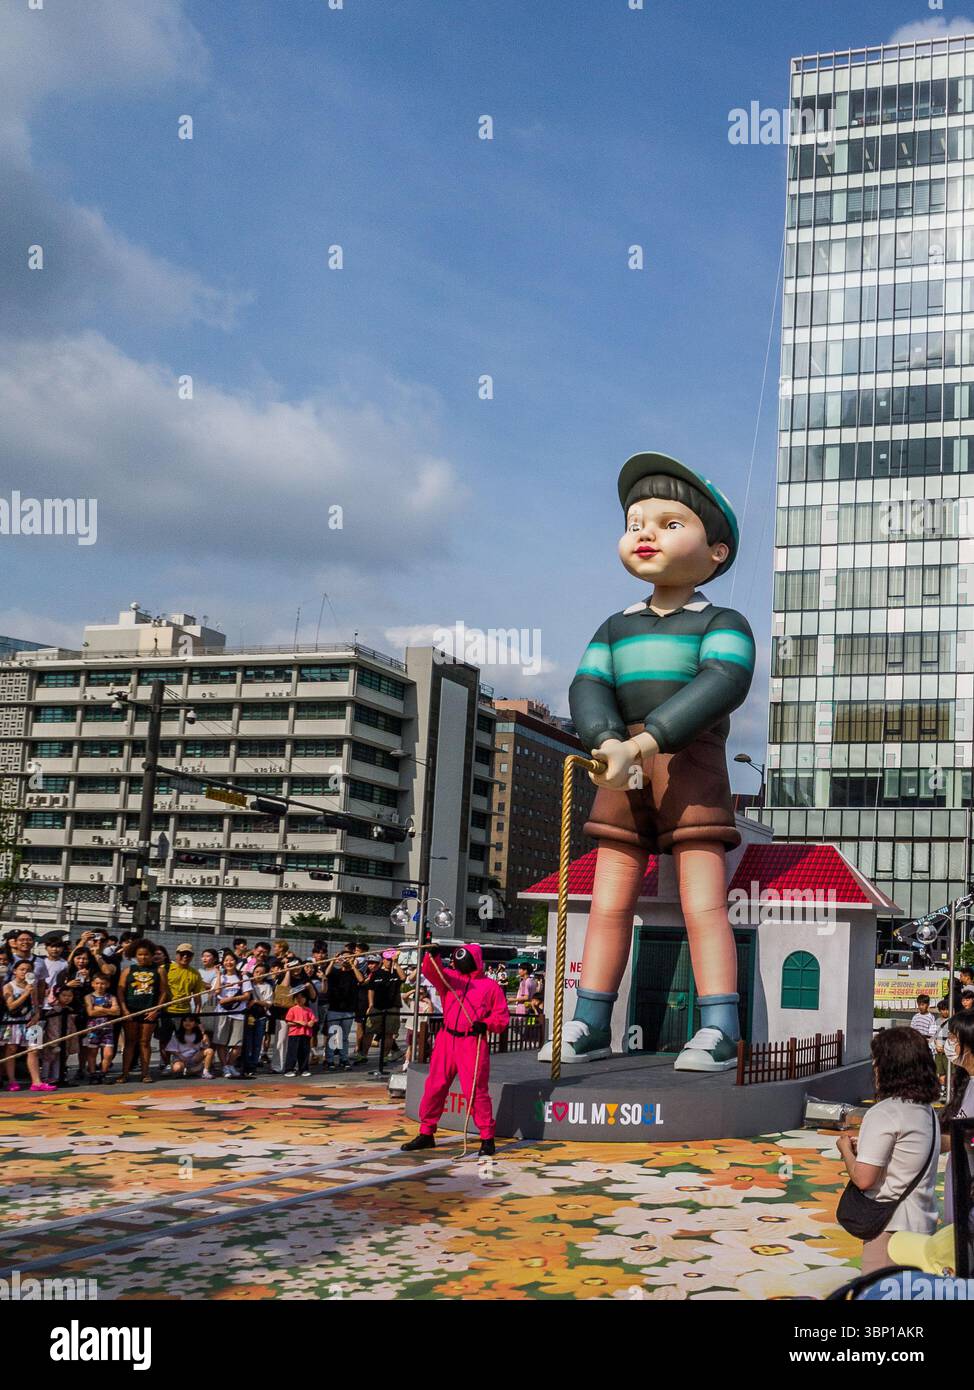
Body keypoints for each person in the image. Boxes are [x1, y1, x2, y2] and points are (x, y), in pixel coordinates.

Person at [540, 451, 754, 1071]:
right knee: (609, 902)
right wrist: (607, 738)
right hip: (620, 763)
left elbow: (723, 680)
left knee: (703, 902)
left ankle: (718, 1026)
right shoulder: (615, 626)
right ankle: (589, 1022)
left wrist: (647, 740)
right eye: (636, 523)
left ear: (716, 552)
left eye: (669, 523)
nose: (646, 534)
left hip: (691, 762)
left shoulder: (722, 621)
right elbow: (588, 686)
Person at [836, 1027, 940, 1274]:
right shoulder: (926, 1111)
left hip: (890, 1228)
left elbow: (864, 1179)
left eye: (877, 1060)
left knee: (880, 1288)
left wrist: (846, 1150)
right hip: (922, 1223)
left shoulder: (884, 1112)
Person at [401, 944, 510, 1157]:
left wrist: (486, 1024)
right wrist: (432, 955)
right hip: (446, 1039)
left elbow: (501, 1017)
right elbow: (431, 971)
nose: (457, 962)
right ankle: (426, 1132)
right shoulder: (451, 979)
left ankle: (487, 1137)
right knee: (435, 1086)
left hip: (472, 1042)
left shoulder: (490, 987)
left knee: (475, 1091)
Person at [938, 1013, 974, 1233]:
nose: (949, 1043)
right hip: (960, 1186)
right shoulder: (967, 1082)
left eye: (953, 1038)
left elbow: (969, 1138)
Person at [115, 940, 169, 1084]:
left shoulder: (159, 970)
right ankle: (124, 1073)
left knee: (145, 1042)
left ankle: (145, 1073)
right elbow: (120, 990)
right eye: (140, 954)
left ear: (152, 955)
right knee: (130, 1042)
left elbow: (164, 992)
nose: (143, 957)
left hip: (149, 1011)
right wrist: (124, 1009)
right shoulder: (128, 970)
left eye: (146, 954)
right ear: (135, 955)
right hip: (131, 1011)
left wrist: (156, 1010)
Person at [2, 957, 54, 1091]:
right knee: (11, 1050)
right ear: (15, 971)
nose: (25, 972)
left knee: (34, 1050)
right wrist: (25, 993)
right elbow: (11, 1006)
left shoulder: (33, 986)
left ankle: (36, 1081)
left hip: (31, 1021)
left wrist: (37, 1015)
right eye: (22, 969)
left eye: (29, 970)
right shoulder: (8, 986)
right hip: (14, 1021)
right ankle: (12, 1081)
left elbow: (36, 1004)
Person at [213, 950, 252, 1077]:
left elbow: (247, 995)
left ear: (236, 961)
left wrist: (232, 999)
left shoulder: (243, 977)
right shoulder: (220, 977)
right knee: (221, 1042)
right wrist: (218, 975)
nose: (229, 963)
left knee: (237, 1044)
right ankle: (225, 1067)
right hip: (222, 1013)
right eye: (226, 960)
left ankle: (230, 1064)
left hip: (238, 1013)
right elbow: (217, 992)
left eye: (231, 960)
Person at [325, 947, 362, 1069]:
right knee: (332, 1035)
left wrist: (353, 964)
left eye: (349, 957)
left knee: (344, 1037)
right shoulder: (335, 972)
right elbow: (326, 974)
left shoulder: (354, 972)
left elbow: (361, 979)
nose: (346, 959)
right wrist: (333, 961)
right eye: (344, 957)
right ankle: (330, 1059)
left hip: (348, 1010)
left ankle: (344, 1058)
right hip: (334, 1008)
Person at [82, 974, 120, 1082]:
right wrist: (109, 1010)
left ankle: (103, 1073)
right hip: (93, 1029)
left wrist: (100, 1009)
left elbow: (117, 1012)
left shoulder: (111, 997)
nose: (100, 986)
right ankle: (93, 1074)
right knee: (92, 1052)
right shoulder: (89, 997)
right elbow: (90, 1012)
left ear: (107, 985)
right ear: (93, 984)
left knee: (109, 1054)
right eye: (97, 983)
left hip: (108, 1029)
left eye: (103, 984)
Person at [241, 961, 273, 1077]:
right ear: (253, 972)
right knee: (247, 1041)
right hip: (249, 1016)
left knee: (257, 1041)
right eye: (257, 972)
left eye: (262, 973)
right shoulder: (247, 984)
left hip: (261, 1016)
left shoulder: (267, 986)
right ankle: (246, 1064)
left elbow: (269, 1003)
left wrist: (256, 1001)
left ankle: (253, 1064)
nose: (259, 974)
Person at [165, 1015, 214, 1079]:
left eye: (191, 1021)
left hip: (194, 1058)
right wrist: (180, 1056)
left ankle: (205, 1072)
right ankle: (193, 1070)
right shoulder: (177, 1035)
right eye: (185, 1021)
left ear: (195, 1023)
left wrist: (204, 1034)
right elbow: (170, 1049)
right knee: (177, 1068)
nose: (187, 1023)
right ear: (182, 1023)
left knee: (210, 1051)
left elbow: (207, 1046)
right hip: (181, 1059)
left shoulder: (199, 1034)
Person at [284, 991, 317, 1076]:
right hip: (294, 1034)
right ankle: (289, 1069)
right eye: (297, 998)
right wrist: (298, 1022)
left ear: (305, 999)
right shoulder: (292, 1009)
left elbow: (313, 1020)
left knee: (304, 1052)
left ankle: (304, 1069)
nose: (299, 999)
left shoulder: (308, 1010)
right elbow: (288, 1022)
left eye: (302, 997)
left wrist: (311, 1023)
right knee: (292, 1052)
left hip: (306, 1034)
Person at [933, 997, 954, 1097]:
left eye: (946, 1009)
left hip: (948, 1052)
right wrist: (936, 1046)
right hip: (938, 1051)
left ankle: (951, 1091)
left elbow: (953, 1038)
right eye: (942, 1009)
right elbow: (933, 1036)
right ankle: (942, 1090)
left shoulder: (953, 1021)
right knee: (940, 1072)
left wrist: (946, 1048)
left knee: (950, 1072)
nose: (944, 1011)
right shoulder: (937, 1021)